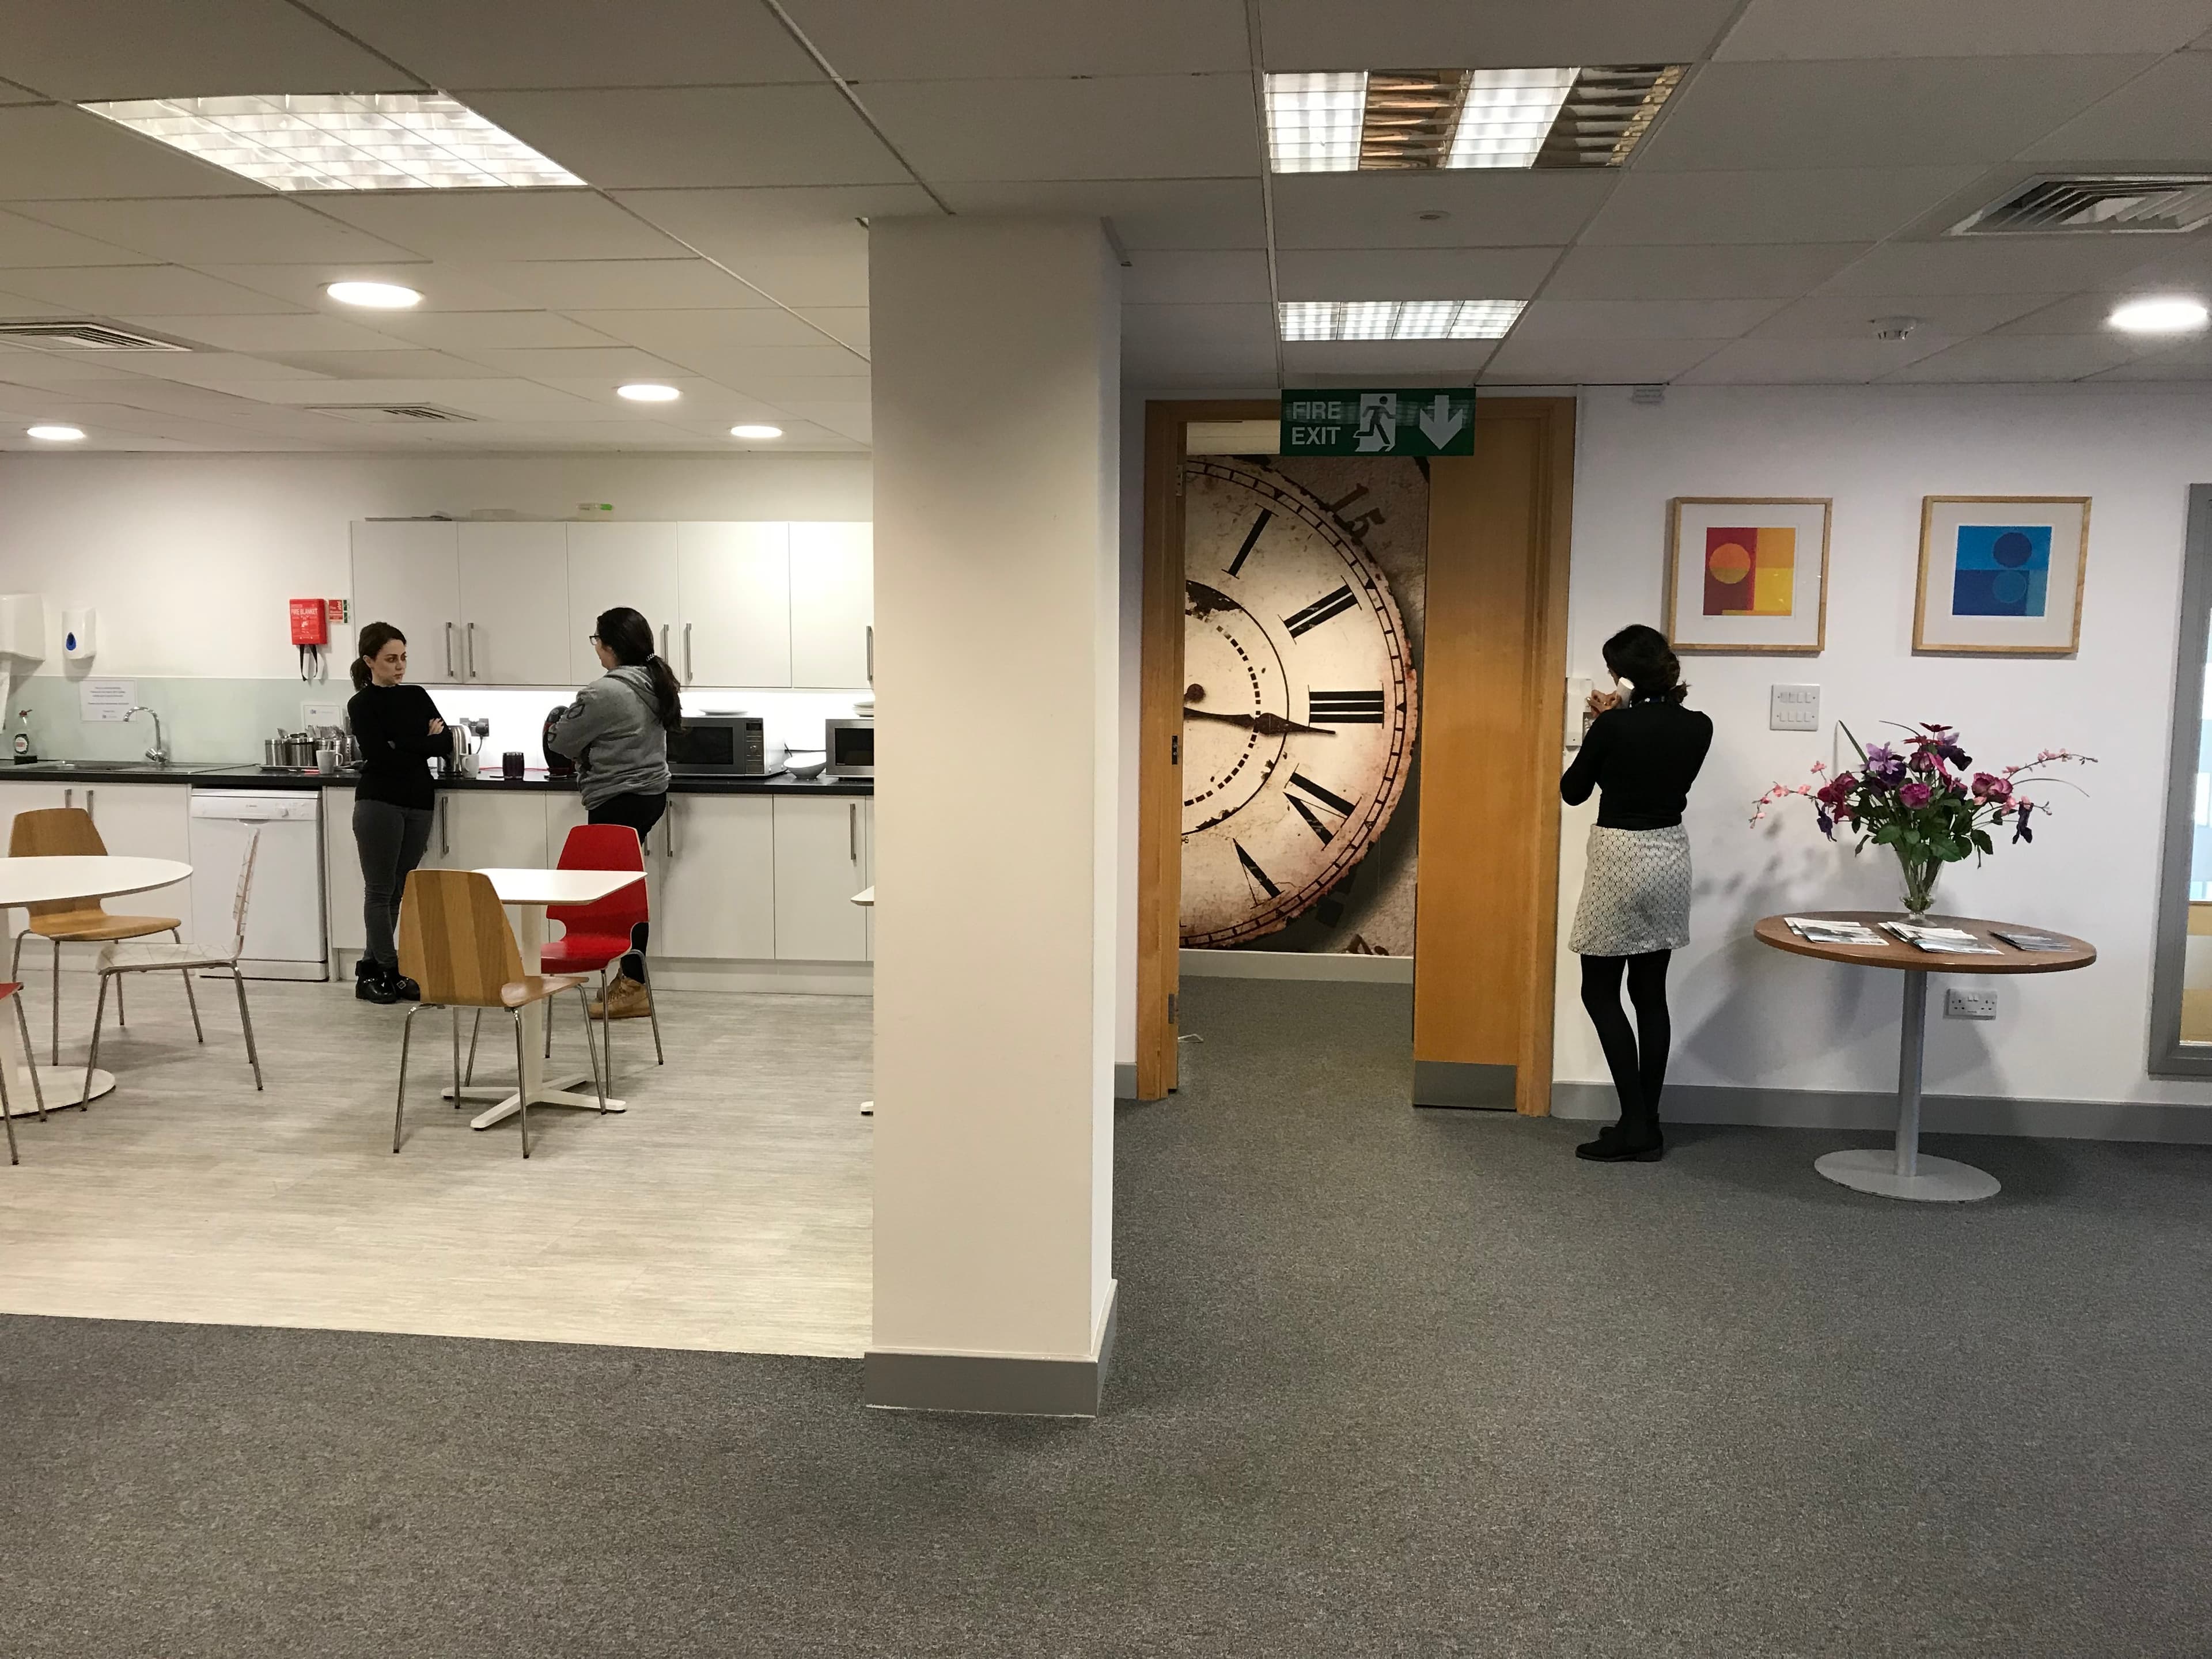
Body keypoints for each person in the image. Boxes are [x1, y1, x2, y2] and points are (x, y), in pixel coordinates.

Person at [1559, 624, 1713, 1164]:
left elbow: (1573, 791)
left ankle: (1636, 1125)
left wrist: (1603, 722)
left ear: (1622, 675)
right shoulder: (1699, 726)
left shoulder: (1613, 727)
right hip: (1669, 854)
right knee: (1650, 993)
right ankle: (1646, 1119)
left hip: (1620, 858)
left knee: (1599, 991)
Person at [546, 605, 679, 1022]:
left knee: (618, 897)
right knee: (627, 889)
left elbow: (561, 742)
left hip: (616, 798)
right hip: (650, 795)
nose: (596, 649)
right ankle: (629, 978)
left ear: (609, 646)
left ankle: (633, 984)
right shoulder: (653, 682)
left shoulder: (605, 693)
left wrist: (560, 722)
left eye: (597, 641)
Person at [347, 622, 454, 1005]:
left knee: (398, 889)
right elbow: (379, 756)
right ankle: (389, 971)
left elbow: (445, 743)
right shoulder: (362, 704)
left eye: (404, 658)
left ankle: (370, 969)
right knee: (379, 891)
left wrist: (404, 744)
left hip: (419, 801)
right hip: (379, 803)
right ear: (370, 661)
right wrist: (422, 741)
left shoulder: (417, 695)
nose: (400, 666)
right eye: (391, 659)